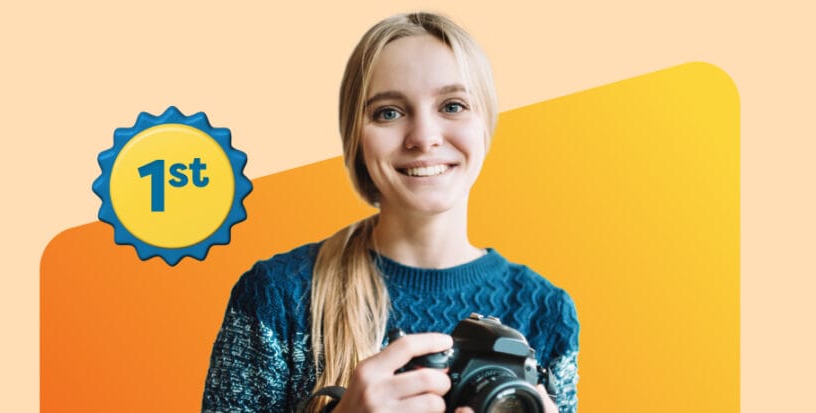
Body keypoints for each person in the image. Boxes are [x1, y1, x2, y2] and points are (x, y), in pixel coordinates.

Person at [202, 12, 579, 413]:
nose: (424, 138)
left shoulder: (545, 311)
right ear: (356, 137)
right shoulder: (279, 298)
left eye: (453, 106)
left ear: (485, 125)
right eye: (388, 113)